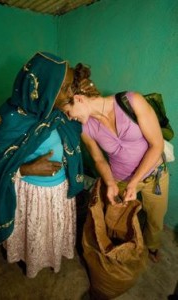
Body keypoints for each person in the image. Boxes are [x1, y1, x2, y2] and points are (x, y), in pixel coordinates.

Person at [0, 52, 84, 278]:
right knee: (33, 234)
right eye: (64, 87)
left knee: (51, 234)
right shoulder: (9, 119)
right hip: (29, 194)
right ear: (45, 86)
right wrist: (26, 169)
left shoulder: (57, 113)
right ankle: (29, 262)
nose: (71, 93)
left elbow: (73, 140)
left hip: (58, 192)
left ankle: (50, 260)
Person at [56, 63, 169, 263]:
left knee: (155, 218)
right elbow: (99, 158)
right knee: (118, 219)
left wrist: (135, 182)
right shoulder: (85, 128)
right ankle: (120, 252)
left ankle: (152, 247)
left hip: (154, 175)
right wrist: (109, 183)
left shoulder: (132, 102)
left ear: (79, 99)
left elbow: (156, 145)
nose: (69, 117)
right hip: (120, 178)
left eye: (67, 111)